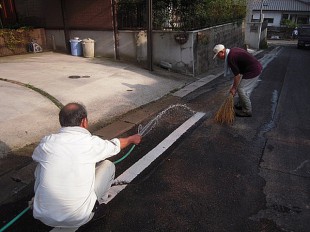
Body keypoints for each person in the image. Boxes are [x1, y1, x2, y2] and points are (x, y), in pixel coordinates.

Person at [31, 102, 142, 228]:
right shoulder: (91, 143)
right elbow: (115, 145)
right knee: (108, 165)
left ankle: (40, 200)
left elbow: (35, 156)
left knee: (41, 164)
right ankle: (97, 206)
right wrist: (132, 139)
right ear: (84, 121)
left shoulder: (47, 142)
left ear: (62, 122)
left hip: (43, 215)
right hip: (79, 217)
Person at [213, 44, 262, 117]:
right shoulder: (231, 52)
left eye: (217, 55)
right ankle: (241, 104)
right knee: (239, 86)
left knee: (241, 89)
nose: (218, 57)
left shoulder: (231, 57)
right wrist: (235, 85)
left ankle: (247, 111)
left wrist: (233, 88)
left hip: (253, 70)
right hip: (251, 69)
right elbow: (238, 74)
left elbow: (237, 76)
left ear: (222, 52)